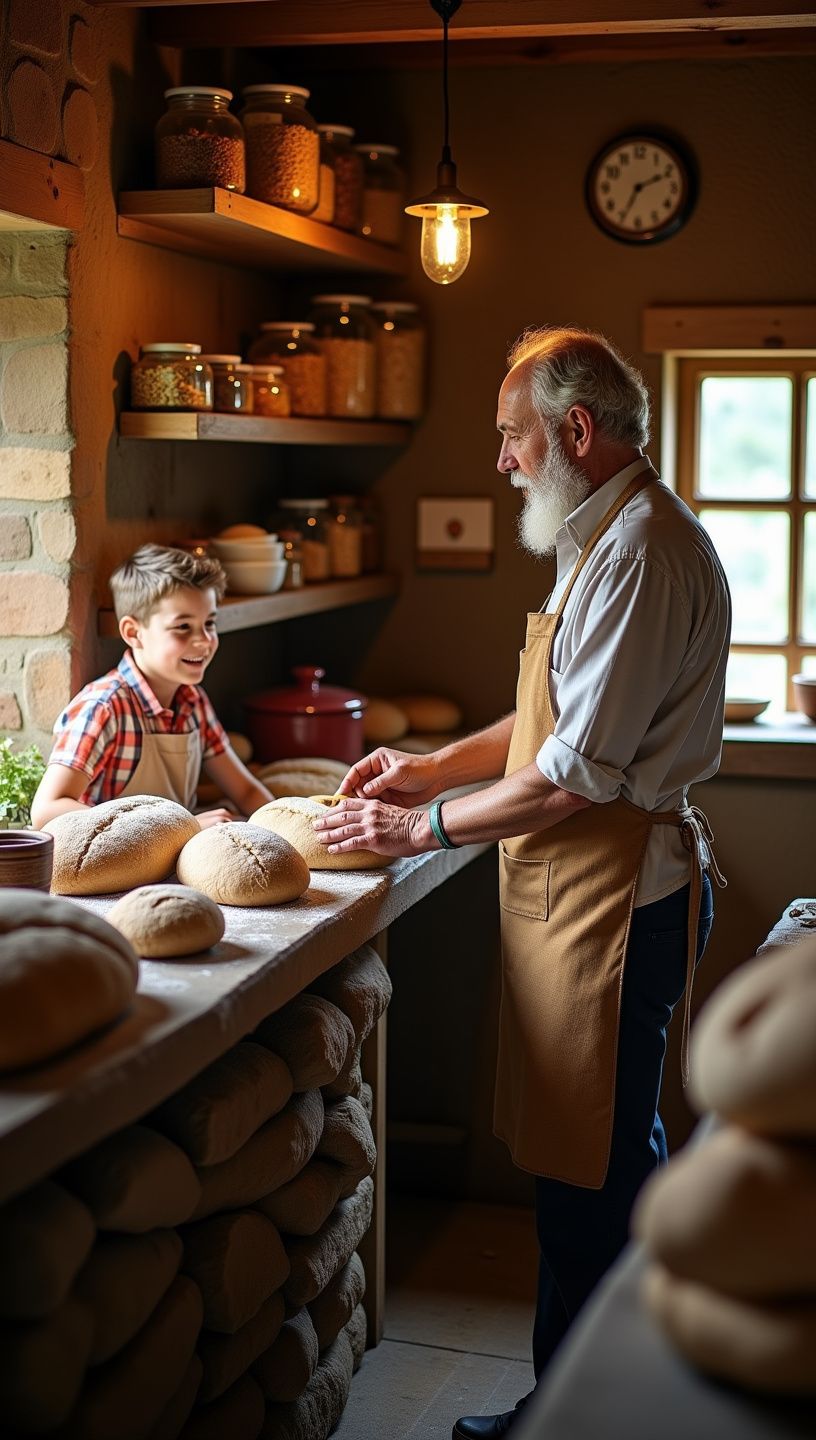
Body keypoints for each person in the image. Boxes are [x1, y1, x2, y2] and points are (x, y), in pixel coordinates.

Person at [312, 326, 731, 1433]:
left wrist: (418, 830)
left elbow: (573, 783)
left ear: (574, 431)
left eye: (511, 436)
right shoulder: (598, 536)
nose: (500, 462)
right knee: (578, 1165)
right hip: (585, 895)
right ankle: (588, 1402)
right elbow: (550, 722)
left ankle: (582, 1419)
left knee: (589, 1184)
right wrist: (428, 767)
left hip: (618, 901)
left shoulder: (641, 549)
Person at [31, 543, 273, 829]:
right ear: (134, 633)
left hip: (174, 859)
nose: (204, 640)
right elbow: (47, 809)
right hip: (113, 867)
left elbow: (246, 792)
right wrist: (183, 827)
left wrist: (285, 826)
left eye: (209, 623)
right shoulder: (103, 707)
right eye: (183, 627)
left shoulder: (193, 702)